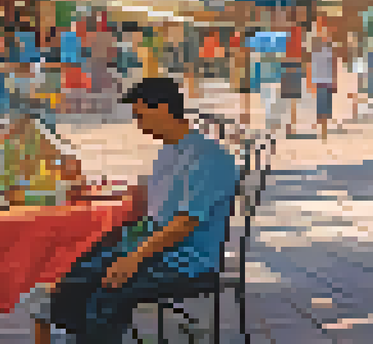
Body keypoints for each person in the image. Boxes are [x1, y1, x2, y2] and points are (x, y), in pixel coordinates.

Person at [32, 77, 239, 344]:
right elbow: (151, 205)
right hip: (151, 246)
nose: (138, 124)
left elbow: (183, 224)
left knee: (108, 286)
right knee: (75, 272)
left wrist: (133, 259)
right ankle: (70, 335)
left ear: (163, 109)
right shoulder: (169, 152)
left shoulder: (208, 158)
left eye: (140, 116)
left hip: (186, 261)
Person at [311, 19, 337, 142]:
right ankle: (322, 131)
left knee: (325, 109)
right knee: (321, 108)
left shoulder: (329, 47)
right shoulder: (315, 47)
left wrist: (335, 80)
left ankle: (323, 132)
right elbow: (312, 64)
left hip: (326, 80)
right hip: (320, 80)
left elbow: (333, 64)